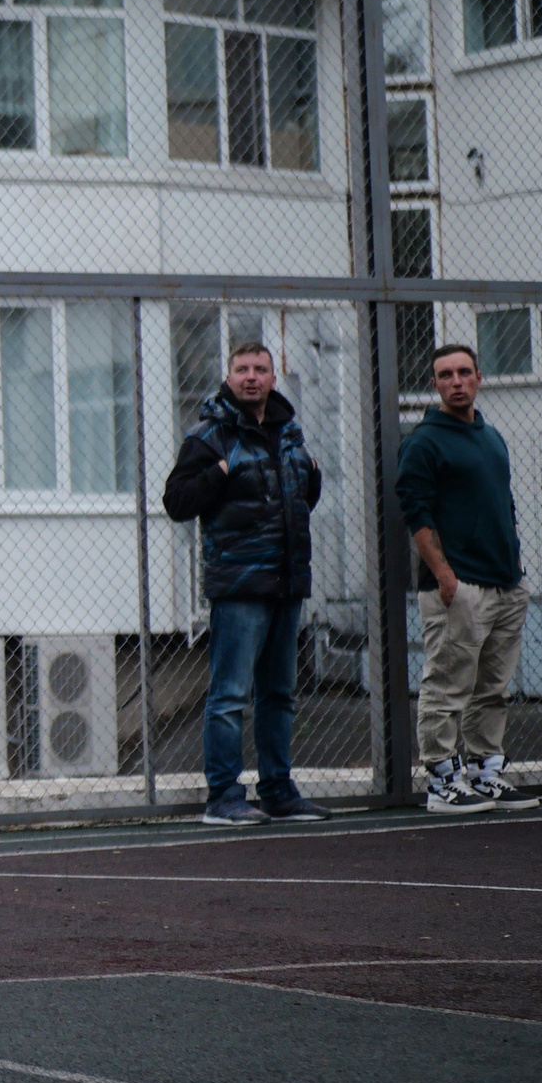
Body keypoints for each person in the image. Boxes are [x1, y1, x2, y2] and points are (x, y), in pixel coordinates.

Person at [163, 338, 332, 824]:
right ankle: (224, 798)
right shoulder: (209, 436)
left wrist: (311, 473)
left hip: (287, 584)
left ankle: (278, 791)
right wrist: (216, 474)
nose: (251, 377)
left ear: (274, 378)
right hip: (238, 589)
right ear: (230, 376)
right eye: (242, 369)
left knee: (278, 694)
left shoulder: (290, 434)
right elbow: (177, 502)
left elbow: (301, 498)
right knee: (230, 696)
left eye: (260, 369)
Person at [396, 343, 535, 815]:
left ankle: (484, 773)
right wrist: (443, 573)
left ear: (479, 377)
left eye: (463, 372)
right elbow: (415, 512)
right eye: (445, 375)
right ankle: (441, 780)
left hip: (505, 583)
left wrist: (516, 574)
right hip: (458, 587)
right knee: (448, 685)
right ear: (434, 384)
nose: (456, 381)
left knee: (492, 688)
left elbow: (504, 506)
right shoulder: (423, 441)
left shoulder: (491, 436)